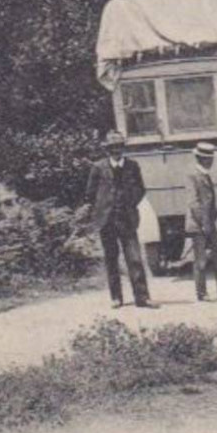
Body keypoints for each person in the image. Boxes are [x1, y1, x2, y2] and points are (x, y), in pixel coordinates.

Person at [84, 130, 155, 309]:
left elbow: (141, 189)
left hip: (127, 219)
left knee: (134, 258)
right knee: (111, 259)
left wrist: (130, 204)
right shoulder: (98, 167)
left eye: (119, 147)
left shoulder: (132, 166)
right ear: (107, 150)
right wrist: (100, 210)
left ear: (123, 148)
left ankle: (142, 297)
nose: (116, 151)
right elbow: (90, 194)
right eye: (112, 148)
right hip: (106, 221)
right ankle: (116, 297)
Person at [187, 142, 217, 302]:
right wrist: (204, 224)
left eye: (211, 158)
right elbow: (194, 203)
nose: (210, 161)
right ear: (199, 159)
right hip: (198, 224)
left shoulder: (205, 175)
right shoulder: (193, 175)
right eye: (207, 159)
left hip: (209, 223)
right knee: (200, 259)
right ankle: (201, 293)